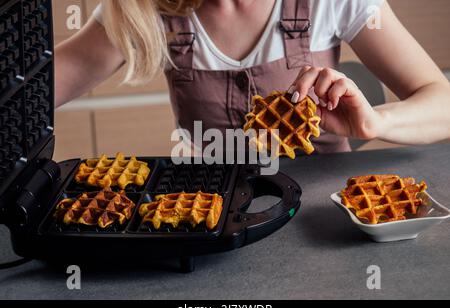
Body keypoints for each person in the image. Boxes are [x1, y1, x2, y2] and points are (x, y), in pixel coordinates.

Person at [55, 0, 450, 154]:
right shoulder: (143, 9)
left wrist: (378, 121)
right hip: (210, 215)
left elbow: (442, 105)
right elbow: (35, 87)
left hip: (319, 214)